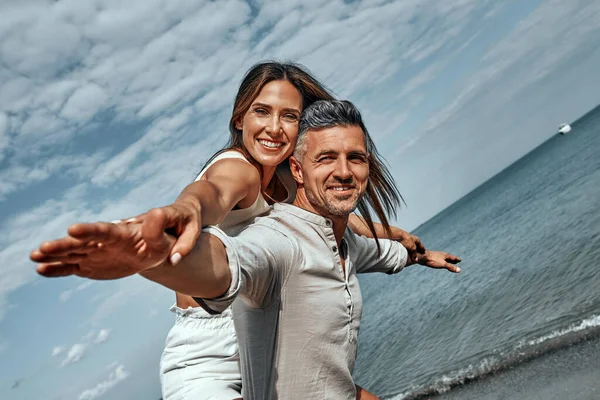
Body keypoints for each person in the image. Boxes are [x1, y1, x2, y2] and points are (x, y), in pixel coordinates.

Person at [32, 99, 461, 399]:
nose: (276, 127)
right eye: (327, 157)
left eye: (357, 158)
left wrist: (419, 254)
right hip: (205, 364)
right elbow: (223, 260)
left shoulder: (329, 229)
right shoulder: (253, 199)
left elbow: (374, 249)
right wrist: (154, 256)